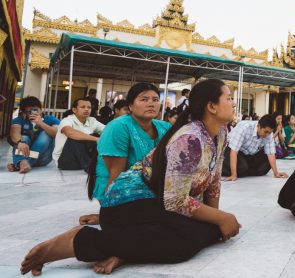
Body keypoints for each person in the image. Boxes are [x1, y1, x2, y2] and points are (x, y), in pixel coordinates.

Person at [20, 79, 241, 276]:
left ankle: (125, 250)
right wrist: (221, 218)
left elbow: (213, 180)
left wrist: (218, 218)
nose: (233, 103)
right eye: (229, 98)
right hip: (126, 206)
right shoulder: (190, 138)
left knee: (211, 230)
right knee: (184, 243)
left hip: (158, 203)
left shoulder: (220, 132)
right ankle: (78, 240)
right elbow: (175, 201)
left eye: (155, 99)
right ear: (211, 106)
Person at [89, 83, 172, 211]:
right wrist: (110, 214)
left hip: (149, 185)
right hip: (120, 189)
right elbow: (115, 177)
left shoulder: (164, 127)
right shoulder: (119, 127)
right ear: (131, 106)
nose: (151, 104)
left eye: (155, 100)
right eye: (144, 99)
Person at [222, 114, 289, 180]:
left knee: (267, 162)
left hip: (250, 154)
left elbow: (271, 153)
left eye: (269, 132)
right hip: (232, 151)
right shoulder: (244, 128)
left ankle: (244, 170)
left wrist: (276, 173)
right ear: (258, 126)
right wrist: (234, 175)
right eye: (266, 132)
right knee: (242, 167)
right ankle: (227, 168)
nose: (267, 135)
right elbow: (234, 151)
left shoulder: (269, 133)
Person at [8, 96, 60, 173]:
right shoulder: (19, 120)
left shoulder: (50, 119)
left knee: (45, 134)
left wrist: (41, 123)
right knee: (23, 138)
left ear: (41, 109)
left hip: (43, 157)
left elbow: (56, 134)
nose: (33, 113)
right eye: (29, 112)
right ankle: (23, 163)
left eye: (35, 110)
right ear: (24, 112)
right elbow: (14, 133)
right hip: (25, 154)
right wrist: (20, 142)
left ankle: (20, 164)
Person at [54, 98, 106, 171]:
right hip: (65, 160)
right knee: (75, 138)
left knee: (102, 136)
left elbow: (108, 131)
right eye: (83, 107)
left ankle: (102, 163)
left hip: (81, 159)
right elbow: (70, 133)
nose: (86, 109)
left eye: (89, 107)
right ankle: (90, 167)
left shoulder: (92, 120)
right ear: (74, 110)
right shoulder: (67, 120)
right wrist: (96, 139)